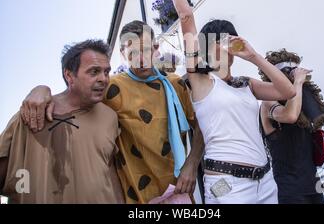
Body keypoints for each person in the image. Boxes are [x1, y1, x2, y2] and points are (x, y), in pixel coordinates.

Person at [161, 0, 296, 204]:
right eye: (221, 39)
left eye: (230, 38)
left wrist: (254, 56)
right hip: (226, 184)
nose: (228, 43)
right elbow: (186, 18)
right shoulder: (200, 79)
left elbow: (288, 91)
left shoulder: (245, 83)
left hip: (266, 181)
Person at [20, 21, 204, 204]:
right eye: (133, 53)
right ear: (123, 54)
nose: (141, 60)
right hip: (136, 198)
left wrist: (192, 163)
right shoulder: (111, 87)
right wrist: (41, 90)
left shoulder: (175, 84)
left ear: (155, 48)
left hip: (179, 192)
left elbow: (202, 126)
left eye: (146, 51)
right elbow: (72, 98)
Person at [0, 40, 124, 203]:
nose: (104, 79)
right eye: (94, 72)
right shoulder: (31, 115)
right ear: (69, 75)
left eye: (106, 72)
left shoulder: (110, 117)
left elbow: (109, 170)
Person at [259, 49, 324, 204]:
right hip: (289, 187)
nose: (295, 74)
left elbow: (313, 129)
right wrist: (297, 82)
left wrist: (322, 109)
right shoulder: (267, 102)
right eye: (290, 71)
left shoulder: (300, 102)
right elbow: (290, 116)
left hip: (314, 182)